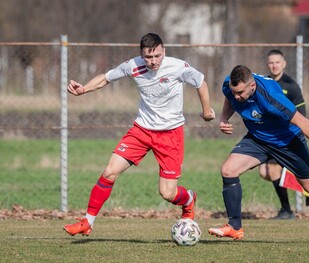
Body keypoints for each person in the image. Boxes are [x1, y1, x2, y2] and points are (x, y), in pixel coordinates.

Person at [63, 33, 215, 236]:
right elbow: (106, 78)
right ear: (141, 55)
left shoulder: (178, 66)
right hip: (141, 131)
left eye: (157, 56)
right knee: (109, 171)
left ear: (164, 51)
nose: (153, 61)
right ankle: (87, 222)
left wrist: (206, 111)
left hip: (170, 134)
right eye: (148, 57)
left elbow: (201, 83)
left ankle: (188, 199)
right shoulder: (133, 65)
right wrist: (83, 89)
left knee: (167, 193)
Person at [208, 65, 309, 241]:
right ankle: (234, 226)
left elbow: (303, 122)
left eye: (240, 93)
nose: (236, 97)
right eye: (234, 92)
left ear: (252, 86)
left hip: (288, 141)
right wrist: (224, 118)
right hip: (258, 139)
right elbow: (230, 99)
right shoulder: (230, 85)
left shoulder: (271, 98)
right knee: (228, 170)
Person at [259, 49, 309, 220]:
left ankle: (286, 210)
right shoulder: (262, 83)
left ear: (284, 63)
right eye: (271, 62)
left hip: (286, 135)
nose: (274, 65)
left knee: (273, 170)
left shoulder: (291, 85)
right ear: (267, 65)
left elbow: (301, 114)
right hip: (269, 135)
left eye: (277, 62)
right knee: (264, 172)